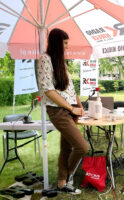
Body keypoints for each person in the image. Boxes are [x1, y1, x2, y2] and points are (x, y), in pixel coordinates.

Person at [37, 28, 88, 195]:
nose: (67, 47)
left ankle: (61, 183)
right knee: (82, 147)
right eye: (65, 43)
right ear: (57, 43)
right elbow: (48, 91)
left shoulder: (61, 62)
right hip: (58, 110)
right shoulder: (44, 59)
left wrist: (80, 108)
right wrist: (70, 107)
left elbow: (71, 89)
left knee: (66, 148)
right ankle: (67, 177)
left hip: (71, 109)